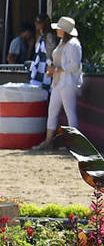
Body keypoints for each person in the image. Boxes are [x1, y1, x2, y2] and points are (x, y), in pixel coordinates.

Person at [36, 16, 84, 150]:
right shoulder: (63, 42)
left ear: (64, 31)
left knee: (70, 112)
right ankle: (48, 141)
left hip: (67, 82)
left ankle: (74, 145)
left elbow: (74, 65)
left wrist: (56, 69)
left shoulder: (73, 44)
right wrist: (53, 70)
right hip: (59, 81)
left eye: (59, 28)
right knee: (53, 111)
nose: (57, 30)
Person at [31, 13, 55, 88]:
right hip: (39, 67)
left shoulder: (48, 36)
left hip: (46, 66)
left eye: (38, 22)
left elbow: (50, 52)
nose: (36, 24)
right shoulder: (40, 36)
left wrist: (50, 64)